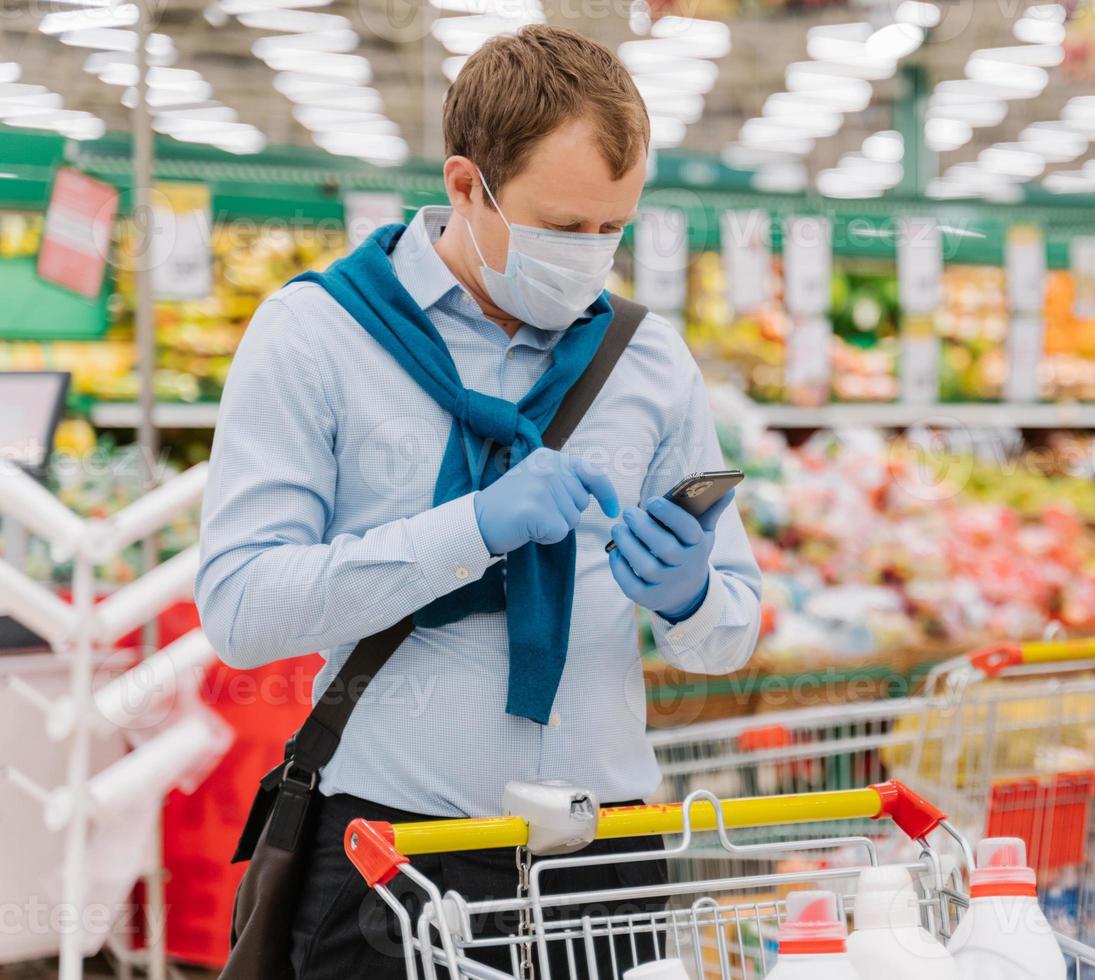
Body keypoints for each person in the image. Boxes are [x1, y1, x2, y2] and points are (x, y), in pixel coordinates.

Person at [195, 25, 761, 980]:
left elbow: (729, 637)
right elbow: (242, 608)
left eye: (611, 229)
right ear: (465, 185)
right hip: (392, 864)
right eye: (560, 228)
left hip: (606, 862)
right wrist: (471, 529)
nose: (590, 258)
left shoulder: (649, 360)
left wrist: (693, 598)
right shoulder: (318, 335)